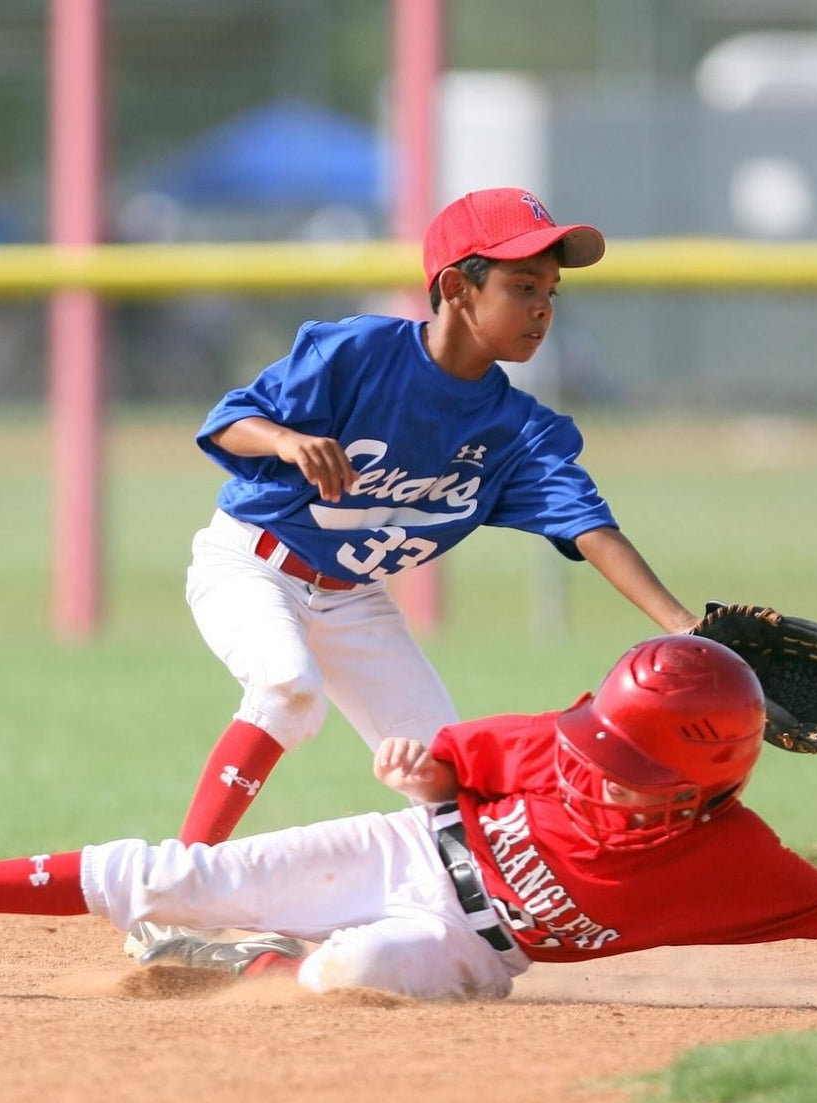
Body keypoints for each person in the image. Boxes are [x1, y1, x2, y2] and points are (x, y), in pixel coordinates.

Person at [0, 637, 817, 1009]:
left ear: (702, 786)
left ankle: (262, 960)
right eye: (598, 738)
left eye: (622, 760)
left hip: (473, 951)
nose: (590, 760)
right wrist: (417, 771)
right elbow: (451, 770)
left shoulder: (736, 859)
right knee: (174, 872)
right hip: (402, 847)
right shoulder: (557, 740)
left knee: (345, 976)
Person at [146, 188, 700, 957]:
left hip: (355, 602)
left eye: (549, 292)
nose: (542, 309)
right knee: (288, 686)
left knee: (447, 769)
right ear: (454, 288)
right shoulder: (357, 353)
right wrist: (283, 441)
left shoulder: (519, 431)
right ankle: (169, 905)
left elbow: (591, 528)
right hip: (253, 565)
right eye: (521, 287)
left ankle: (440, 929)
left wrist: (683, 627)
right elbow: (226, 420)